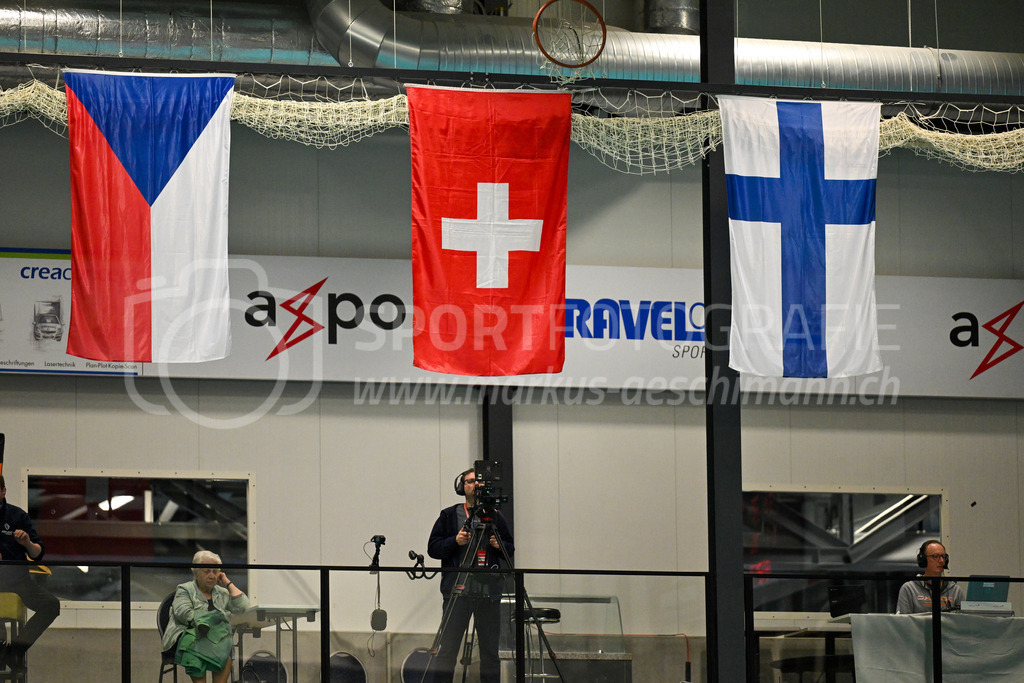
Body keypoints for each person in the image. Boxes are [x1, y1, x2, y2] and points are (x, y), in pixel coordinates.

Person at [426, 467, 514, 683]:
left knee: (490, 655)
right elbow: (433, 548)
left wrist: (498, 545)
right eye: (470, 481)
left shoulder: (496, 516)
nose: (475, 484)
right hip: (458, 591)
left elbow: (510, 548)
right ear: (461, 486)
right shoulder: (449, 515)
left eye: (479, 481)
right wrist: (454, 541)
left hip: (488, 593)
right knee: (447, 651)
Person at [0, 473, 60, 674]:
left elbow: (37, 554)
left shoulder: (17, 516)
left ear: (3, 492)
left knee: (51, 605)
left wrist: (26, 542)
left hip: (17, 580)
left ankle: (14, 649)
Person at [162, 550, 250, 683]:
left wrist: (227, 583)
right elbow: (183, 612)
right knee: (209, 640)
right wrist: (209, 622)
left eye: (215, 572)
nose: (212, 576)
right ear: (195, 573)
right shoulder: (185, 589)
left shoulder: (222, 593)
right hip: (191, 638)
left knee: (224, 646)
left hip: (217, 641)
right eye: (207, 571)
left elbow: (243, 607)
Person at [896, 539, 963, 614]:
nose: (941, 561)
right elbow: (903, 622)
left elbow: (963, 621)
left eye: (943, 556)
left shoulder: (955, 590)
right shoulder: (909, 589)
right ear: (923, 560)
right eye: (935, 556)